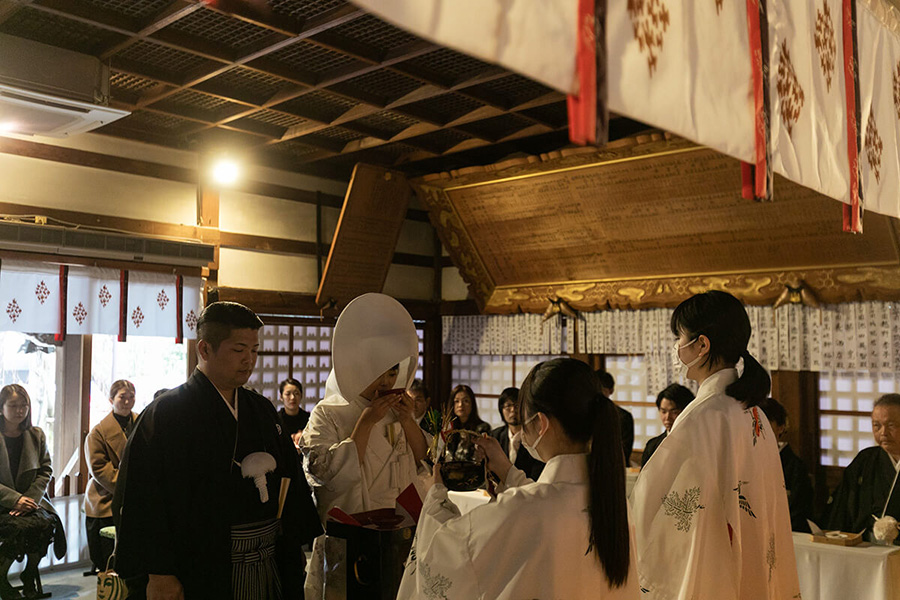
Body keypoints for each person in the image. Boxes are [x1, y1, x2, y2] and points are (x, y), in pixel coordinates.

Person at [113, 302, 322, 600]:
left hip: (267, 555)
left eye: (254, 350)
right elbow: (142, 496)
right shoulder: (166, 414)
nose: (249, 360)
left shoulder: (260, 409)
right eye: (238, 350)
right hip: (199, 563)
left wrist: (293, 547)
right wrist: (158, 571)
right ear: (205, 349)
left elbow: (288, 479)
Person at [397, 358, 638, 599]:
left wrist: (435, 496)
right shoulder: (614, 502)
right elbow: (546, 498)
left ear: (541, 423)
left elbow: (449, 553)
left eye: (525, 420)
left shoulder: (525, 509)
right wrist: (506, 471)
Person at [632, 290, 800, 600]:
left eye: (679, 338)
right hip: (750, 556)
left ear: (702, 344)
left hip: (716, 562)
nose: (677, 348)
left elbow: (662, 503)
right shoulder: (754, 412)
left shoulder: (703, 416)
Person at [300, 293, 427, 599]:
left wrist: (409, 421)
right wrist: (366, 423)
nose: (387, 381)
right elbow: (324, 473)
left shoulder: (399, 410)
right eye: (379, 373)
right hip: (350, 535)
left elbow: (423, 460)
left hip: (398, 532)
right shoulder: (327, 412)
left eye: (393, 372)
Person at [0, 384, 65, 600]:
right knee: (15, 529)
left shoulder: (36, 434)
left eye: (24, 405)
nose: (20, 410)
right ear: (1, 408)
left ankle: (29, 575)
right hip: (3, 502)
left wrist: (29, 498)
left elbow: (46, 470)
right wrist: (15, 500)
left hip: (32, 500)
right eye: (14, 405)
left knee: (45, 525)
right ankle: (1, 577)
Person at [826, 393, 900, 542]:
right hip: (867, 545)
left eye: (891, 425)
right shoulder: (865, 460)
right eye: (876, 426)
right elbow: (843, 508)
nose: (883, 433)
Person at [84, 379, 137, 575]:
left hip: (136, 495)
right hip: (106, 498)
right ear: (111, 399)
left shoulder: (141, 422)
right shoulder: (97, 432)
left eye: (131, 397)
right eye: (122, 397)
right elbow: (99, 470)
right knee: (108, 560)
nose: (127, 402)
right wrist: (128, 486)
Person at [757, 397, 813, 532]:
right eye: (756, 423)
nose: (759, 429)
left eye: (766, 424)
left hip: (785, 532)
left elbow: (798, 510)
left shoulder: (795, 467)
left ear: (781, 428)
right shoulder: (743, 460)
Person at [489, 387, 544, 481]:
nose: (513, 410)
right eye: (508, 406)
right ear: (501, 410)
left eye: (517, 406)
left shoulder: (535, 437)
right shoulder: (495, 436)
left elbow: (537, 474)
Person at [641, 383, 694, 467]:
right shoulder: (653, 446)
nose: (667, 418)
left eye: (674, 412)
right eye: (663, 412)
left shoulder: (698, 443)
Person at [596, 370, 635, 464]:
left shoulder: (623, 417)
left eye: (601, 389)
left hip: (613, 467)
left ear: (611, 390)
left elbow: (624, 451)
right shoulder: (584, 414)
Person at [278, 378, 310, 447]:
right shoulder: (276, 419)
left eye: (296, 393)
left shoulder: (309, 419)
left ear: (301, 396)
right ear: (281, 397)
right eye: (288, 394)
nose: (292, 397)